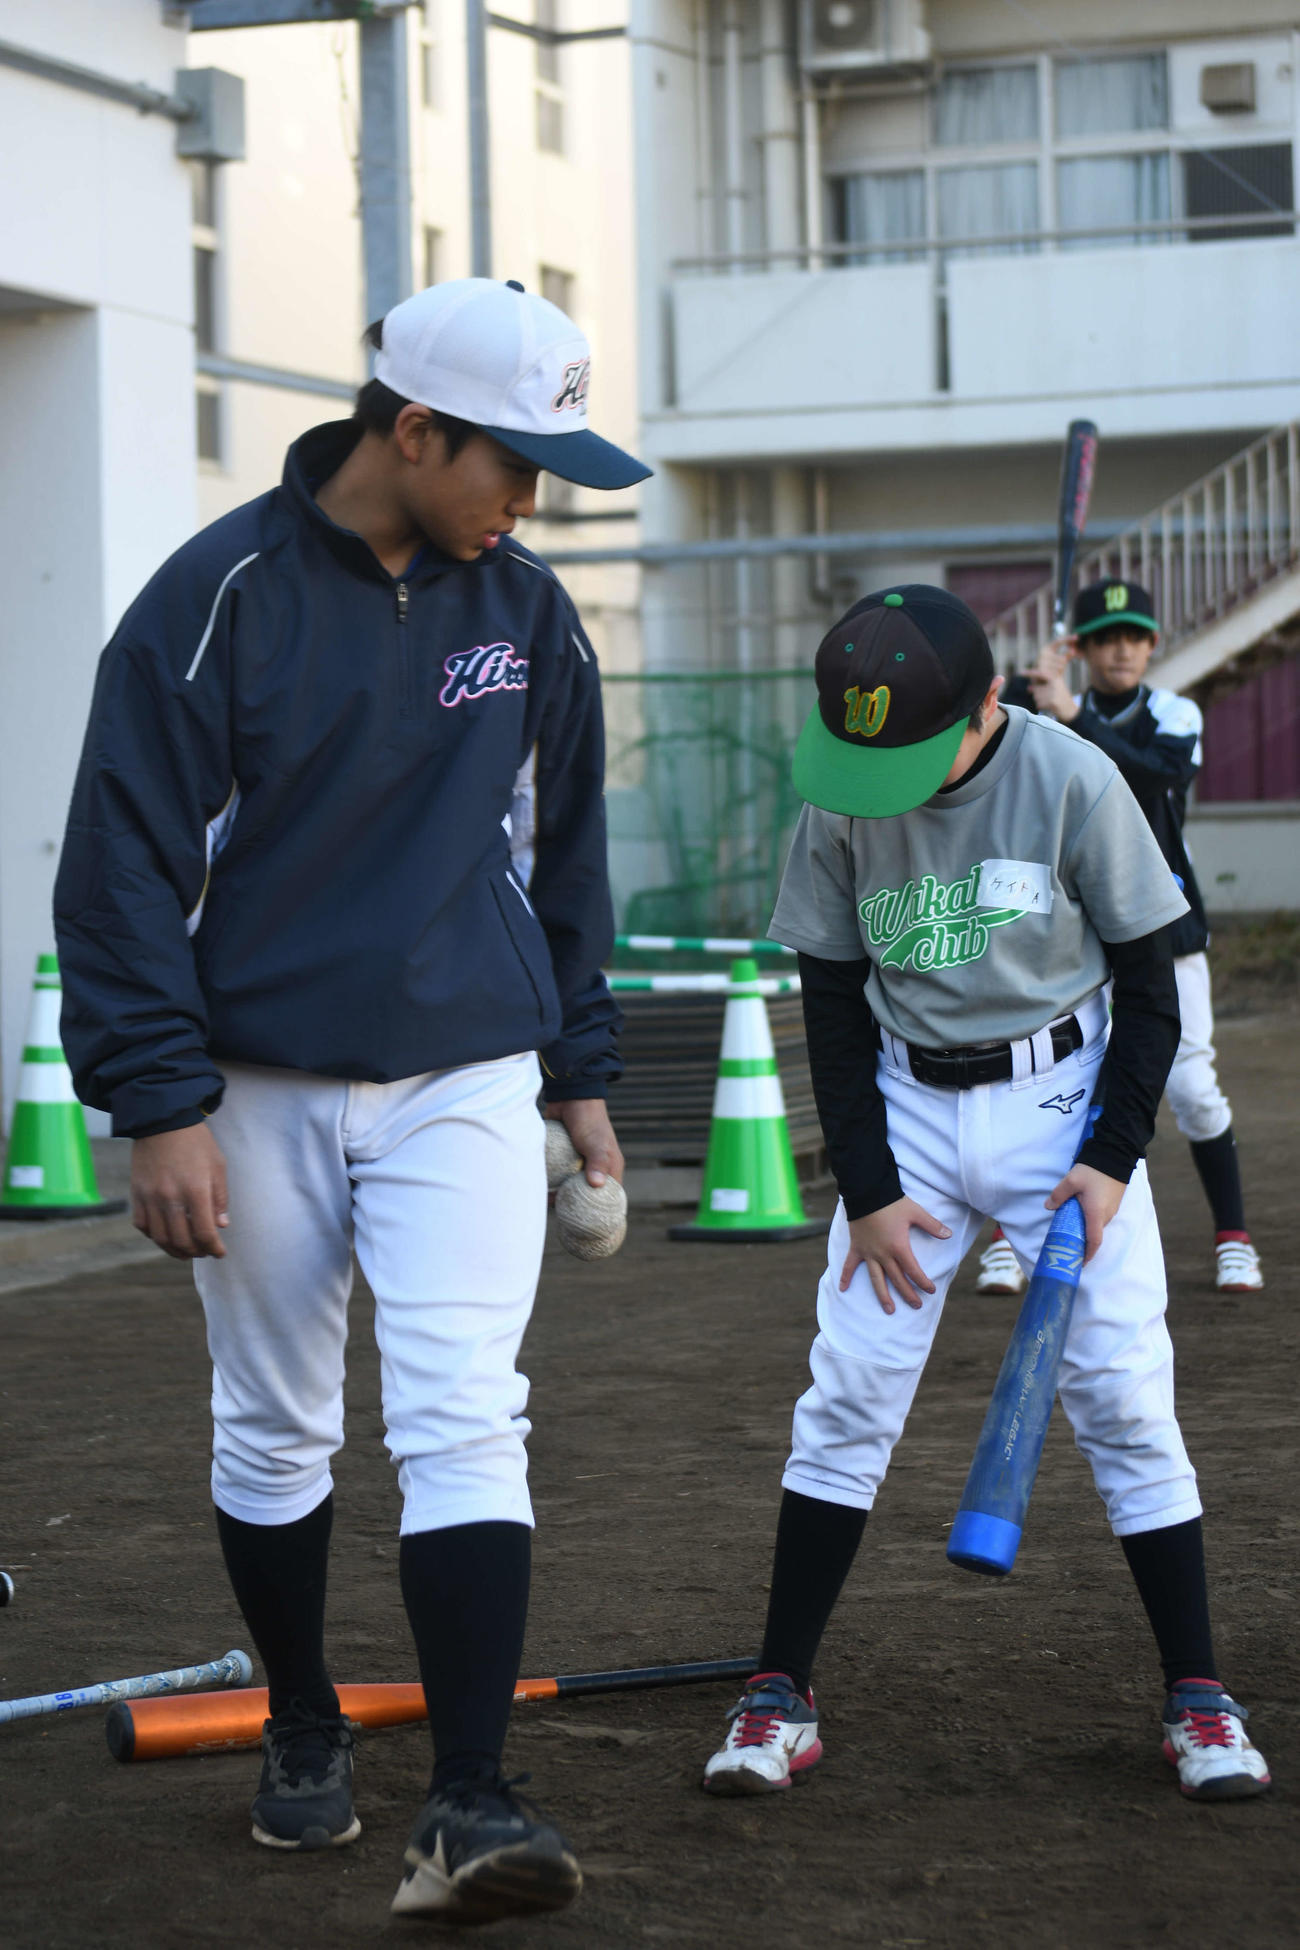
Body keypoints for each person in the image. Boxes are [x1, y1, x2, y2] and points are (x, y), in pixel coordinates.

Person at [54, 277, 650, 1927]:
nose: (527, 505)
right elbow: (119, 869)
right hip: (253, 1082)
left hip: (465, 1065)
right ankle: (302, 1713)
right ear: (411, 431)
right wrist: (155, 1100)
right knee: (276, 1423)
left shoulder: (525, 611)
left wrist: (581, 1074)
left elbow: (569, 855)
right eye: (509, 467)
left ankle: (469, 1799)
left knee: (468, 1410)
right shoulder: (217, 598)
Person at [698, 585, 1271, 1804]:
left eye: (910, 747)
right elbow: (831, 1000)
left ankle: (1198, 1695)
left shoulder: (1071, 778)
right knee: (849, 1383)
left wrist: (1111, 1158)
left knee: (1120, 1390)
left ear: (987, 707)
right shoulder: (843, 791)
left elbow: (1152, 988)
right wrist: (863, 1186)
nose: (876, 776)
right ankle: (778, 1691)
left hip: (1059, 1096)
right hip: (905, 1107)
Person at [1018, 577, 1264, 1295]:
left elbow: (1155, 782)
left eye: (1135, 636)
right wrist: (1041, 702)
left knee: (1190, 1085)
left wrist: (1070, 716)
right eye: (1107, 637)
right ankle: (1009, 1239)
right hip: (1070, 928)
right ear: (1085, 648)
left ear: (1153, 644)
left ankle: (1234, 1237)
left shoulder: (1174, 711)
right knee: (1046, 1081)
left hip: (1166, 924)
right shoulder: (1049, 712)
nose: (1122, 650)